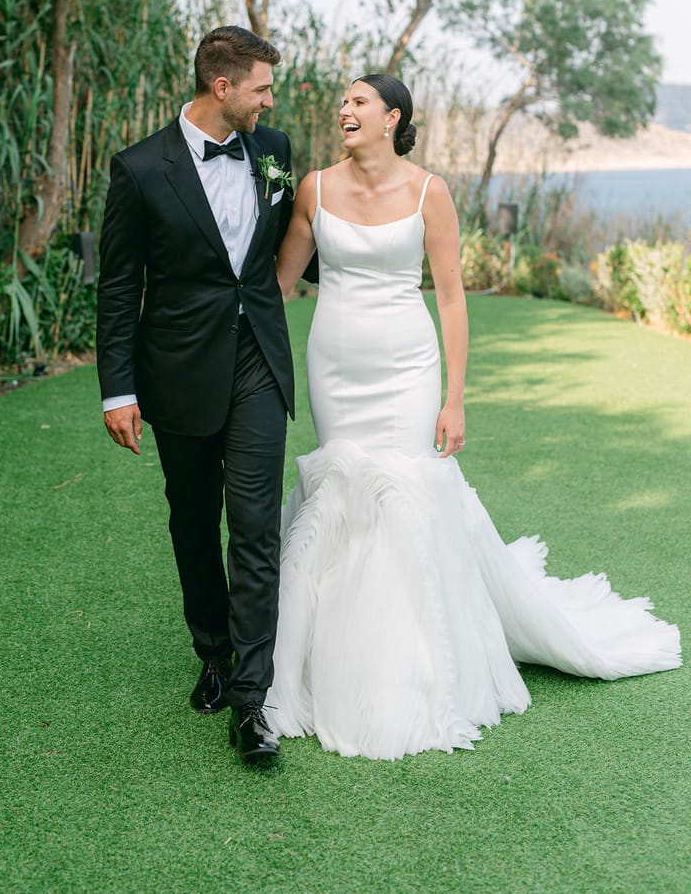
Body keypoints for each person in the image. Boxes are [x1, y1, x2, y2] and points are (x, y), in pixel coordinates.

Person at [265, 73, 681, 761]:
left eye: (358, 101)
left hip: (406, 366)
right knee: (344, 488)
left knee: (404, 492)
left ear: (392, 117)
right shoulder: (312, 187)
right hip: (335, 365)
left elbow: (452, 298)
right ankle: (332, 656)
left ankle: (415, 670)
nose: (344, 109)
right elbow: (280, 285)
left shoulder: (431, 192)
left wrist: (455, 397)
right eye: (342, 101)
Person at [96, 25, 296, 764]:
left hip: (258, 364)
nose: (270, 101)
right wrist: (118, 389)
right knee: (192, 520)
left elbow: (285, 243)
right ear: (223, 88)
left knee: (254, 523)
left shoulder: (273, 150)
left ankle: (251, 700)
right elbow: (119, 287)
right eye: (262, 88)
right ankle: (211, 651)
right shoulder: (141, 168)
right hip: (176, 367)